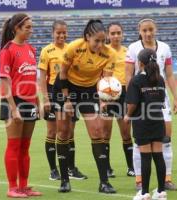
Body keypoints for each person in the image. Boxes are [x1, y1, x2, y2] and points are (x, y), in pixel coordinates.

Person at [52, 19, 117, 193]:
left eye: (103, 41)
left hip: (89, 89)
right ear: (87, 37)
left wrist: (104, 99)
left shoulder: (110, 53)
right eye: (97, 40)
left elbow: (106, 79)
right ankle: (64, 180)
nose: (100, 44)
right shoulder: (74, 47)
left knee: (97, 132)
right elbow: (63, 73)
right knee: (64, 132)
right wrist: (67, 100)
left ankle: (104, 182)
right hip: (66, 86)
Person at [125, 18, 177, 191]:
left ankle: (166, 179)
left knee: (166, 140)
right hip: (140, 101)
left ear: (155, 29)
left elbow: (169, 75)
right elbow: (128, 75)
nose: (148, 33)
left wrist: (176, 97)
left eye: (151, 30)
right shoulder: (133, 49)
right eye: (144, 30)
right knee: (138, 142)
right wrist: (131, 99)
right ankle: (140, 180)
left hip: (160, 101)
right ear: (139, 31)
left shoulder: (165, 48)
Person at [0, 13, 42, 198]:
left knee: (25, 147)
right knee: (14, 145)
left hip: (30, 101)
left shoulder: (31, 49)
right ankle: (12, 187)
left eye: (31, 27)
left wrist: (38, 102)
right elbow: (6, 82)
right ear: (16, 28)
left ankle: (24, 186)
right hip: (14, 101)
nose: (31, 30)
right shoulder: (7, 50)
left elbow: (33, 78)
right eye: (27, 27)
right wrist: (13, 108)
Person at [38, 20, 87, 181]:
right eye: (58, 32)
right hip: (53, 93)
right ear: (53, 33)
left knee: (69, 132)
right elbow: (42, 77)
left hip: (69, 93)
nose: (61, 35)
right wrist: (46, 99)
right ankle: (54, 170)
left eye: (64, 32)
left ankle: (71, 168)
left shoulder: (71, 48)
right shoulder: (47, 51)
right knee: (53, 132)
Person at [126, 48, 167, 200]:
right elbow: (162, 100)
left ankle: (144, 193)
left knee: (145, 157)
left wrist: (127, 116)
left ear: (140, 63)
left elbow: (132, 103)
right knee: (158, 155)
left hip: (142, 121)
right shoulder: (160, 79)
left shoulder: (136, 80)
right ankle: (161, 192)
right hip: (157, 120)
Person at [102, 22, 135, 178]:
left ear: (122, 34)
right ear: (108, 35)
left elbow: (132, 74)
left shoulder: (128, 51)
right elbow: (99, 75)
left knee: (126, 133)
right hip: (107, 94)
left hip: (124, 94)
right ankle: (107, 168)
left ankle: (131, 167)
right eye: (113, 33)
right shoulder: (103, 51)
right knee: (105, 133)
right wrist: (102, 99)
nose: (116, 36)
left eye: (118, 33)